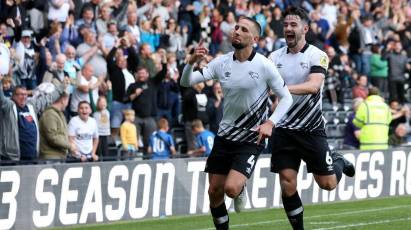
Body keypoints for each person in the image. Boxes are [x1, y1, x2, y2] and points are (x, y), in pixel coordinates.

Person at [180, 16, 293, 230]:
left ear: (255, 38)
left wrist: (270, 122)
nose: (237, 31)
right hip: (225, 136)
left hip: (252, 138)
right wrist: (191, 62)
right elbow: (186, 81)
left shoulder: (265, 66)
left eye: (243, 29)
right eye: (236, 28)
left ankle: (240, 189)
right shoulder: (221, 63)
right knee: (214, 191)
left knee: (230, 189)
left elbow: (286, 97)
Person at [268, 7, 355, 230]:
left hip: (311, 128)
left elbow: (314, 85)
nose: (288, 28)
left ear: (305, 28)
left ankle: (337, 161)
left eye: (293, 24)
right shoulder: (273, 57)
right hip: (284, 129)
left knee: (327, 184)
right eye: (286, 25)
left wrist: (282, 89)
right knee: (287, 183)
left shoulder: (317, 55)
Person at [0, 75, 65, 162]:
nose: (24, 97)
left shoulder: (31, 106)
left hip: (32, 155)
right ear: (13, 96)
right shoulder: (8, 106)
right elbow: (1, 98)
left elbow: (47, 99)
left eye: (25, 94)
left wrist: (61, 87)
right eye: (21, 95)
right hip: (13, 158)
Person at [39, 93, 72, 161]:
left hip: (59, 156)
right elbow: (52, 137)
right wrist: (70, 146)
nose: (67, 104)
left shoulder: (60, 114)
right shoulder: (50, 114)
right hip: (51, 157)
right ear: (63, 100)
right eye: (67, 100)